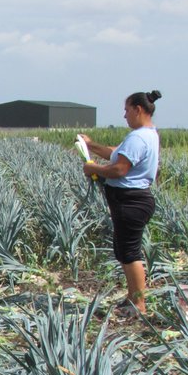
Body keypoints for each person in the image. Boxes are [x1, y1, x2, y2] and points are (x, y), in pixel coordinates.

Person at [79, 90, 162, 317]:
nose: (124, 115)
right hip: (132, 201)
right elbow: (117, 154)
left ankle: (139, 304)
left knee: (130, 253)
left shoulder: (138, 137)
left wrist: (92, 168)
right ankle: (131, 298)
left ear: (138, 109)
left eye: (126, 110)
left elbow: (119, 169)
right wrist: (90, 145)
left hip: (131, 201)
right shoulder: (146, 134)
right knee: (124, 251)